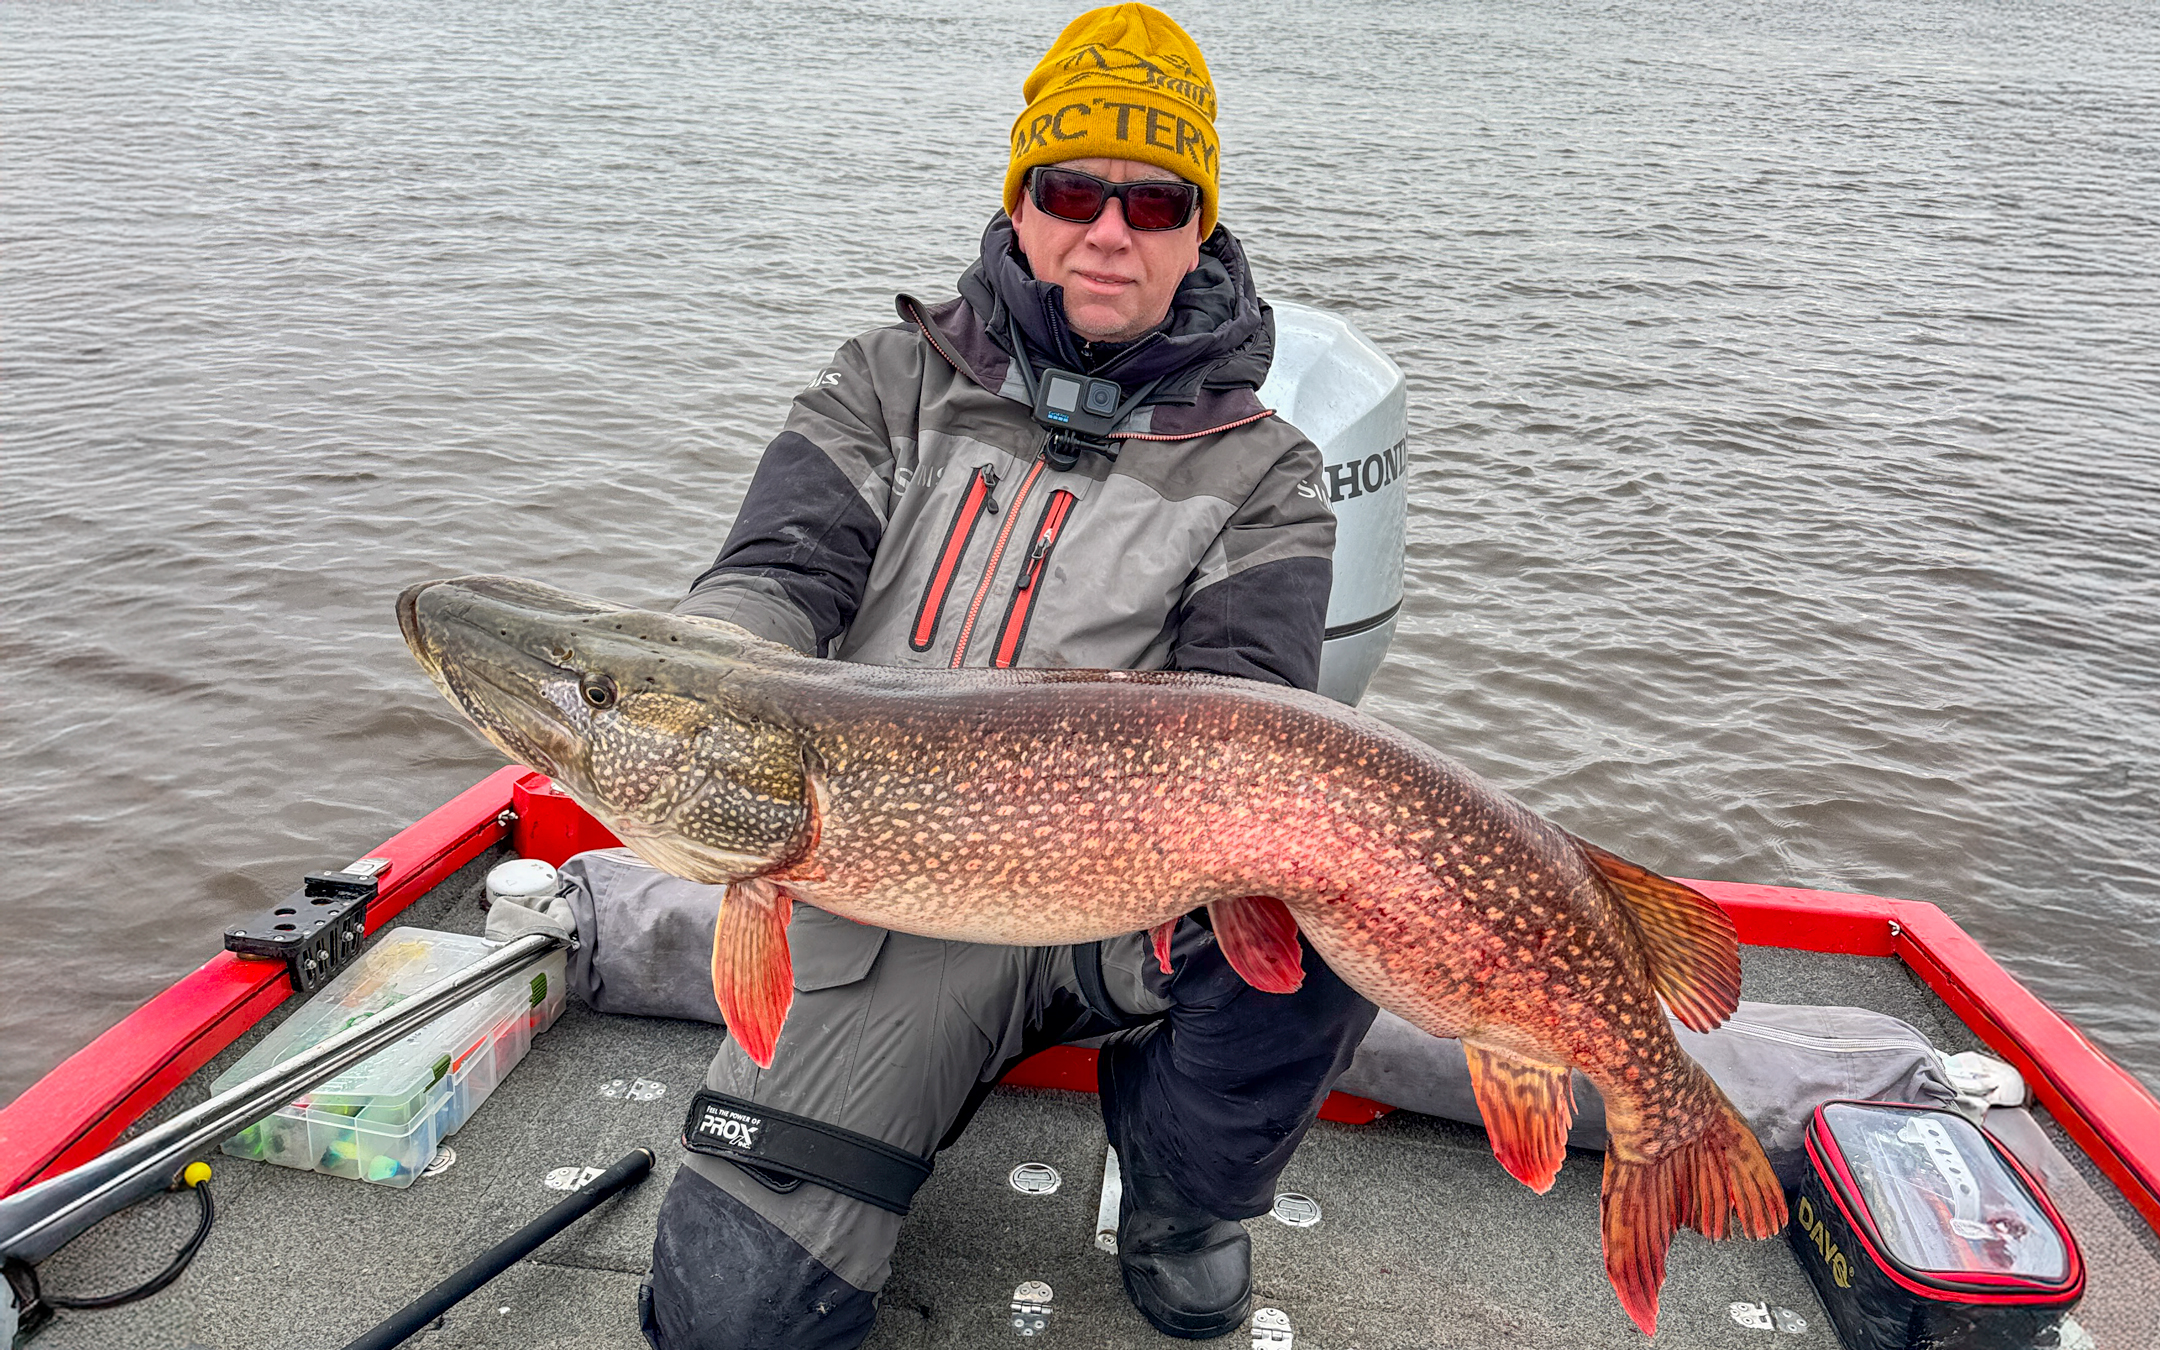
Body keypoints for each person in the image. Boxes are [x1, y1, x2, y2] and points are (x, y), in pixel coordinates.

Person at [639, 7, 1377, 1346]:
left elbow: (1245, 720)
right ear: (1023, 203)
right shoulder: (886, 380)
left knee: (1336, 910)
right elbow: (776, 576)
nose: (1110, 231)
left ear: (1198, 227)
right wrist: (708, 686)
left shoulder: (1266, 474)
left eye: (1155, 201)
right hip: (878, 896)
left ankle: (1182, 1192)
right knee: (731, 1323)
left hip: (1121, 907)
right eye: (1073, 190)